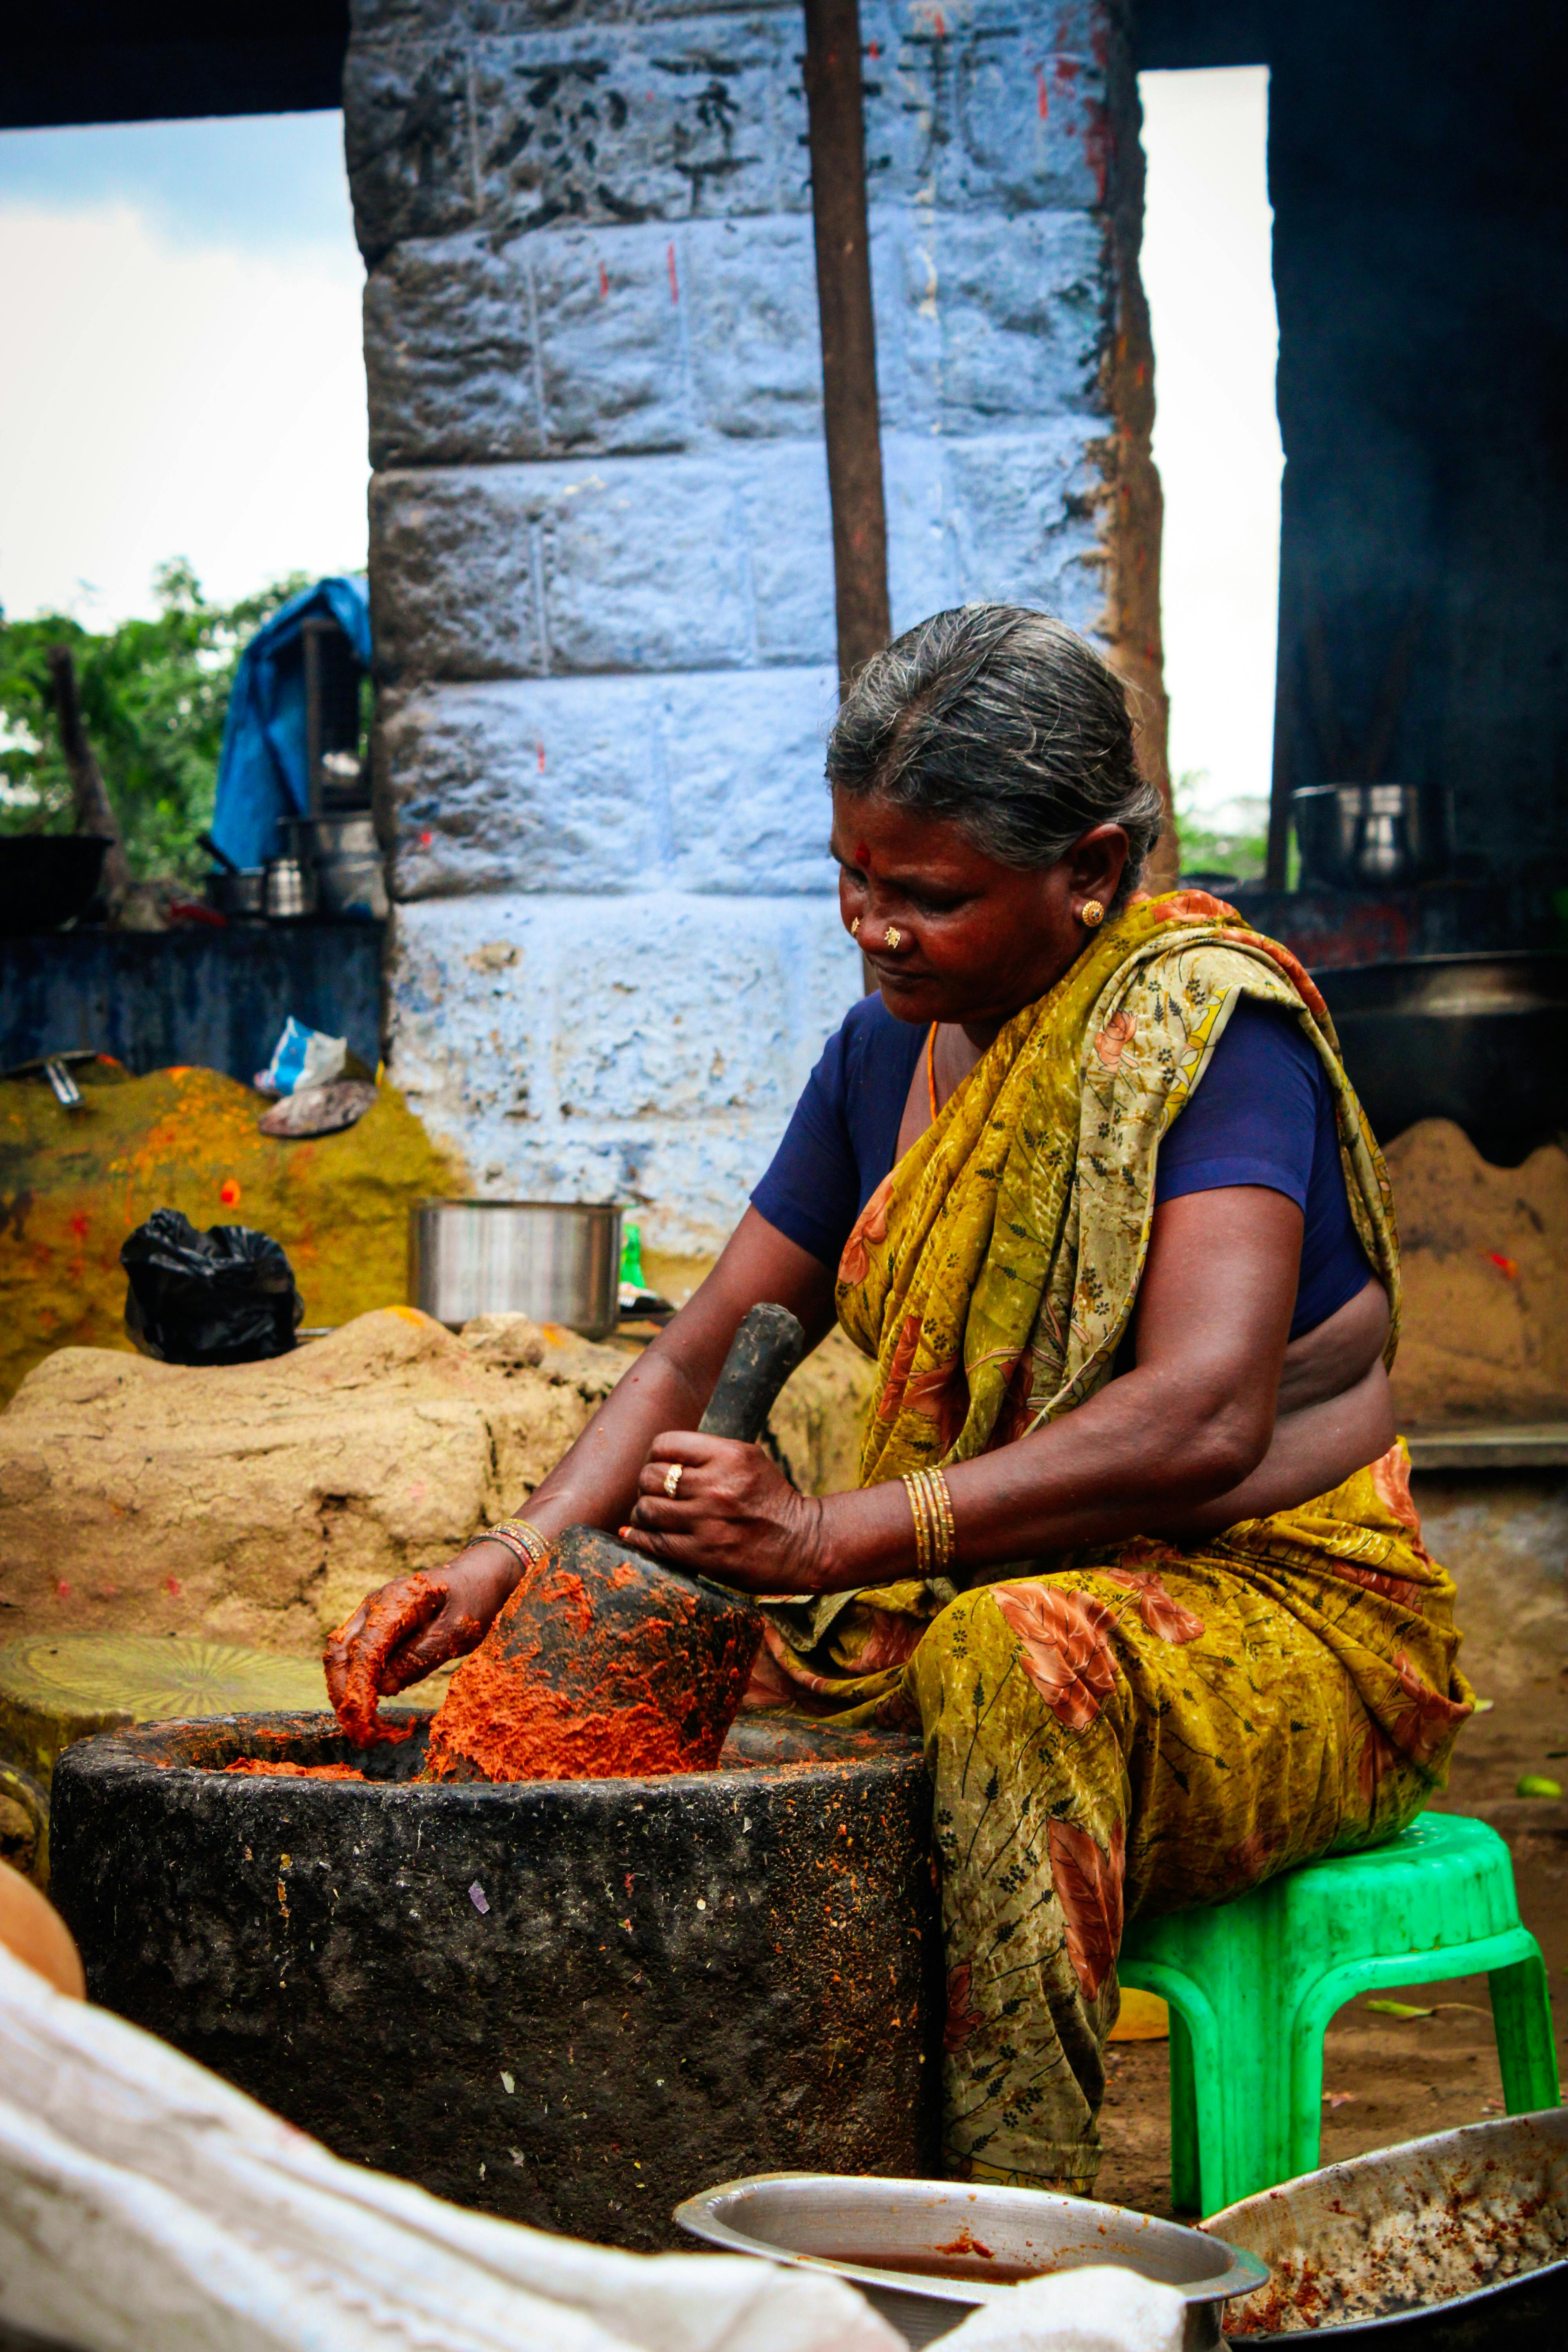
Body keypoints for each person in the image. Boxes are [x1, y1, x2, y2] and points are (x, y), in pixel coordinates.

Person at [328, 606, 1472, 2196]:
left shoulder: (1209, 1039)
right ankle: (696, 2195)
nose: (872, 927)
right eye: (853, 878)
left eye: (926, 896)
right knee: (636, 1699)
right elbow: (694, 1347)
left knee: (1010, 1656)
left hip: (1280, 1621)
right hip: (963, 1589)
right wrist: (508, 1560)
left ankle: (1005, 2241)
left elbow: (1201, 1416)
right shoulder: (882, 1058)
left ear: (1089, 865)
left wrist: (830, 1537)